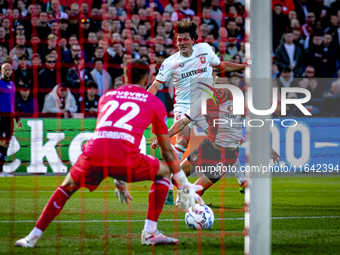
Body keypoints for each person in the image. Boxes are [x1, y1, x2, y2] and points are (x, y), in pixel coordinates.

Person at [15, 59, 203, 248]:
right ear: (148, 79)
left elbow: (108, 135)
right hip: (124, 157)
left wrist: (118, 178)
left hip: (94, 153)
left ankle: (32, 237)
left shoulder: (107, 97)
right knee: (163, 171)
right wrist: (183, 182)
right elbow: (166, 150)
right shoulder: (154, 102)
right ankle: (150, 233)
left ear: (123, 77)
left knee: (66, 187)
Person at [147, 20, 246, 204]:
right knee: (183, 140)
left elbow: (221, 65)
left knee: (225, 140)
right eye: (178, 39)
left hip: (207, 107)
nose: (182, 42)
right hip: (184, 106)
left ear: (193, 39)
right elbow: (154, 86)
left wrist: (244, 66)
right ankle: (170, 189)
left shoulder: (205, 50)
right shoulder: (171, 62)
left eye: (185, 39)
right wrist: (143, 105)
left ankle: (242, 180)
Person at [152, 76, 281, 198]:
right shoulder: (204, 100)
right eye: (216, 84)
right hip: (208, 147)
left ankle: (190, 196)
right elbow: (182, 122)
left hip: (227, 156)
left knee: (195, 192)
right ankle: (185, 194)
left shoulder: (239, 102)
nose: (218, 88)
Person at [0, 63, 22, 177]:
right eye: (5, 70)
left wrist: (17, 118)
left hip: (10, 118)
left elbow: (14, 103)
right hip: (1, 116)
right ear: (1, 71)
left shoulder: (13, 85)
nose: (7, 71)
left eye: (9, 70)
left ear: (11, 72)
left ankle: (0, 170)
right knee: (1, 142)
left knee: (6, 143)